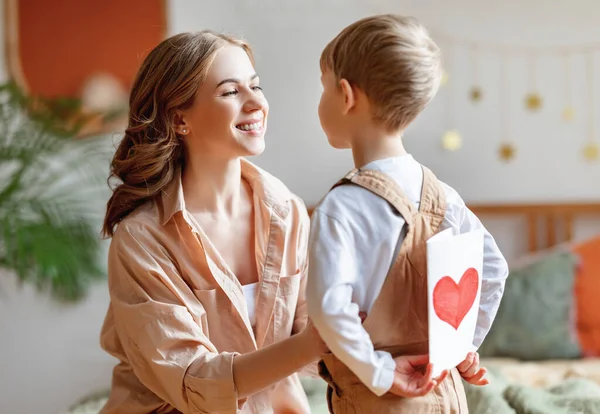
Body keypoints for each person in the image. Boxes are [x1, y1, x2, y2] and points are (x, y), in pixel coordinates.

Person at [98, 30, 324, 414]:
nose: (256, 103)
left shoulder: (287, 210)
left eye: (256, 86)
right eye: (230, 92)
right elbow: (194, 380)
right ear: (179, 119)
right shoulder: (142, 239)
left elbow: (308, 334)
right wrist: (318, 341)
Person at [306, 14, 510, 413]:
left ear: (346, 96)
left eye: (323, 88)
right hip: (444, 389)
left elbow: (329, 309)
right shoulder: (443, 195)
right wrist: (460, 346)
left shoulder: (341, 206)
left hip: (376, 395)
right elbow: (492, 269)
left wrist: (380, 371)